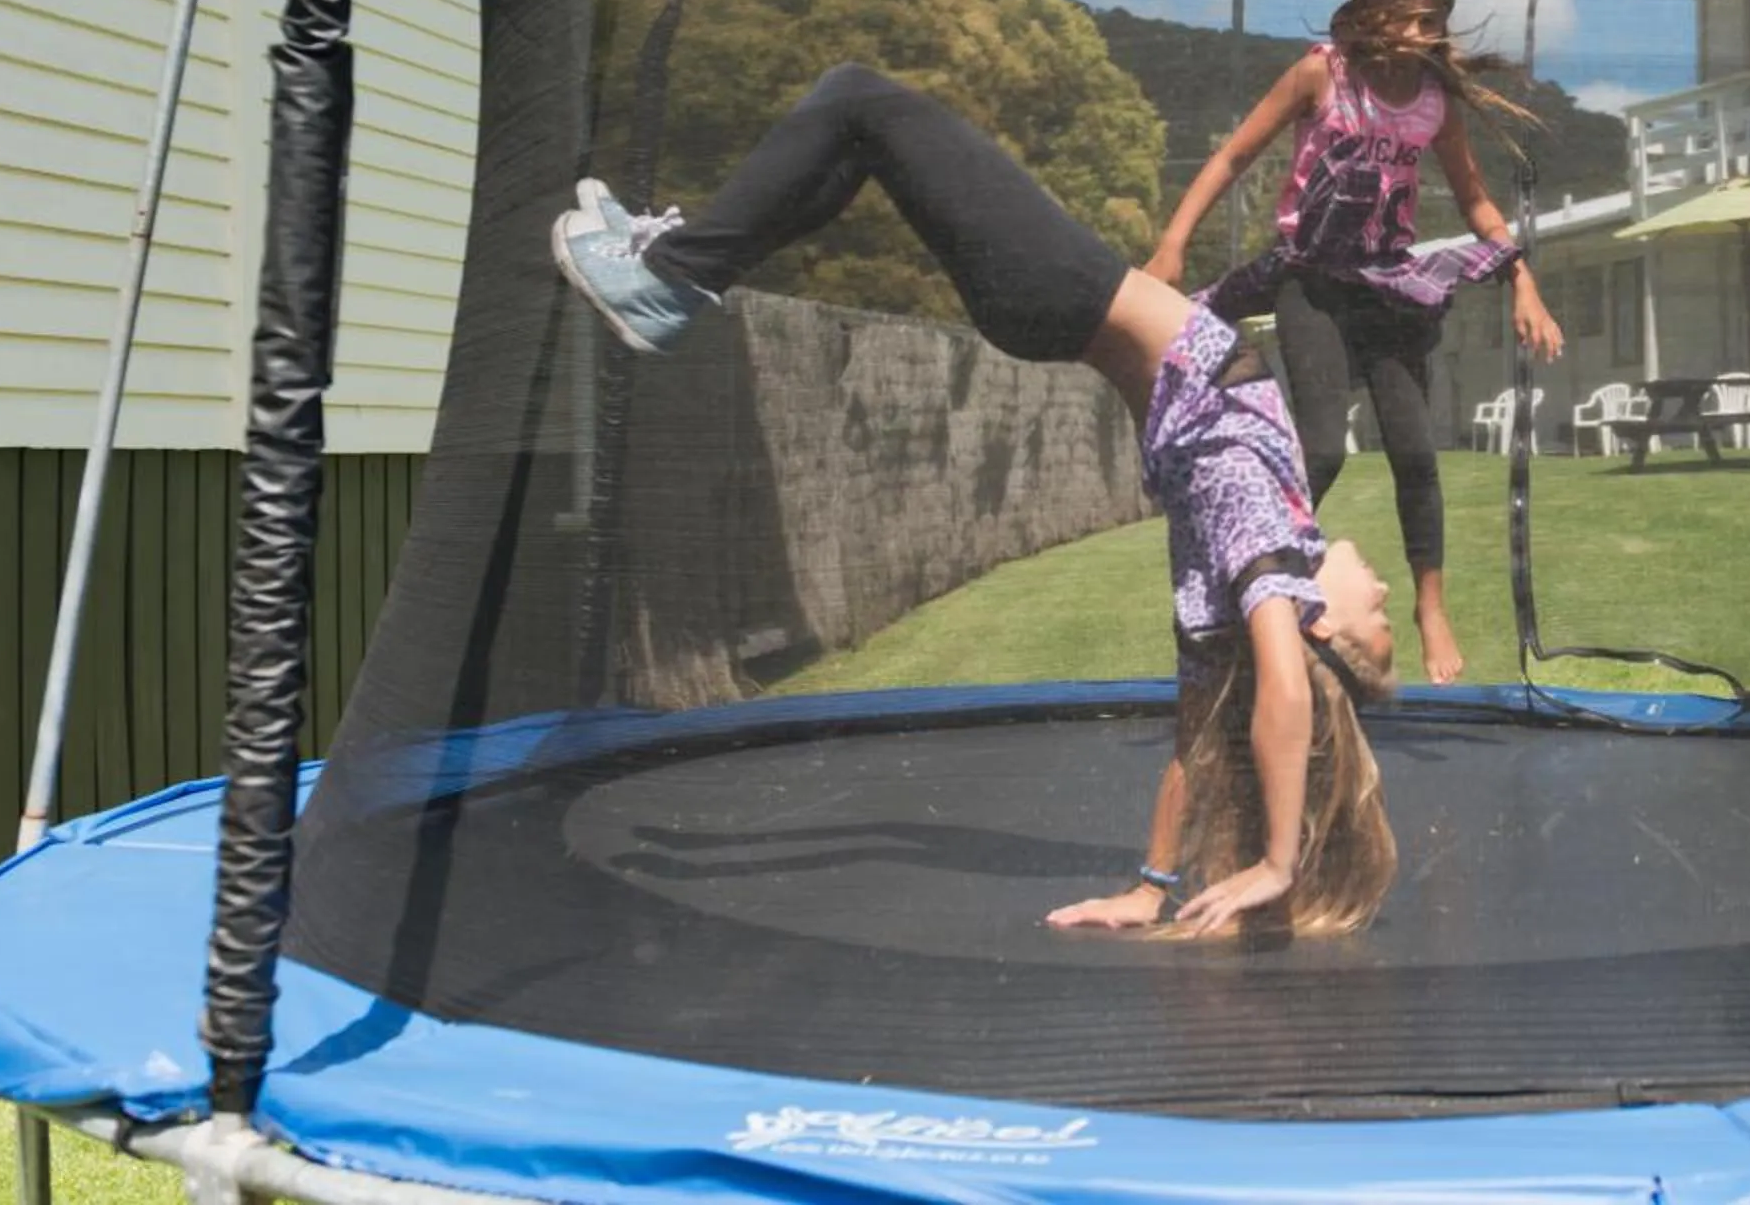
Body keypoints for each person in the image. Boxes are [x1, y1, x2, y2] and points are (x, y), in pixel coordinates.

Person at [549, 63, 1399, 939]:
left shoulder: (1261, 537)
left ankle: (669, 279)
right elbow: (1201, 738)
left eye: (1379, 624)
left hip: (1063, 292)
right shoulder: (1250, 570)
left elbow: (1283, 689)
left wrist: (1278, 862)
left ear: (1321, 628)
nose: (1382, 592)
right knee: (857, 140)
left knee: (857, 98)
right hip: (1055, 304)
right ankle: (679, 266)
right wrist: (1152, 887)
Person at [1146, 0, 1563, 688]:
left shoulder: (1434, 101)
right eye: (1414, 12)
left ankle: (1430, 605)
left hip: (1386, 284)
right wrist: (1172, 245)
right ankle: (1261, 580)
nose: (1428, 28)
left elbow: (1475, 200)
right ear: (1373, 12)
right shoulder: (1322, 73)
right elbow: (1233, 157)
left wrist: (1522, 281)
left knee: (1415, 451)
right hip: (1313, 280)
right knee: (1322, 448)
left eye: (1437, 16)